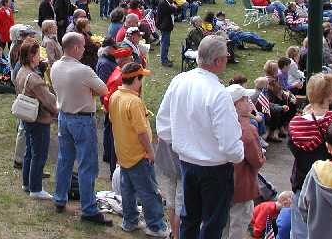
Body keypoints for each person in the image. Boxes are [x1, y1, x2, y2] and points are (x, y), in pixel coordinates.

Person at [156, 35, 244, 238]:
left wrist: (184, 140)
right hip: (214, 168)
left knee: (190, 218)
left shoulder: (181, 80)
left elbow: (164, 125)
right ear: (218, 61)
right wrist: (237, 156)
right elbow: (230, 143)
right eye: (225, 56)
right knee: (213, 223)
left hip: (187, 162)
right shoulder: (218, 93)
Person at [51, 32, 112, 226]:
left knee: (65, 160)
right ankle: (89, 209)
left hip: (64, 117)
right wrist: (89, 91)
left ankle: (60, 198)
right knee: (87, 165)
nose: (85, 49)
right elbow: (104, 90)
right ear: (76, 48)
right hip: (82, 120)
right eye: (83, 46)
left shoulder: (55, 66)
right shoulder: (83, 70)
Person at [109, 62, 168, 237]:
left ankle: (130, 221)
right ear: (135, 79)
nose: (142, 82)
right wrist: (150, 152)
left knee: (127, 190)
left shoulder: (115, 96)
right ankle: (156, 226)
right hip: (138, 155)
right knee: (148, 191)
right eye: (141, 78)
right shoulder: (134, 102)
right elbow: (142, 132)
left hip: (123, 153)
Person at [287, 73, 332, 239]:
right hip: (329, 185)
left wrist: (303, 115)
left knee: (300, 233)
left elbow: (294, 148)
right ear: (329, 95)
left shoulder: (295, 125)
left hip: (302, 183)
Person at [13, 38, 58, 199]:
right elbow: (49, 101)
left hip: (28, 117)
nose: (40, 56)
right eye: (38, 53)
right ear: (32, 56)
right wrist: (58, 111)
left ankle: (27, 183)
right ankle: (36, 188)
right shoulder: (34, 79)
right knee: (39, 154)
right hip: (39, 120)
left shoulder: (21, 71)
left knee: (30, 152)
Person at [223, 84, 266, 239]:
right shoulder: (247, 129)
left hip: (220, 182)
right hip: (241, 184)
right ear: (236, 104)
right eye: (246, 99)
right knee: (239, 222)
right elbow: (257, 160)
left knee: (222, 223)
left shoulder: (219, 122)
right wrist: (262, 156)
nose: (250, 101)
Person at [156, 0, 177, 67]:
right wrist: (174, 7)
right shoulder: (163, 3)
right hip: (165, 26)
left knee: (166, 43)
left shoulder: (165, 1)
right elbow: (172, 10)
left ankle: (165, 59)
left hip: (165, 25)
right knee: (165, 43)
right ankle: (164, 60)